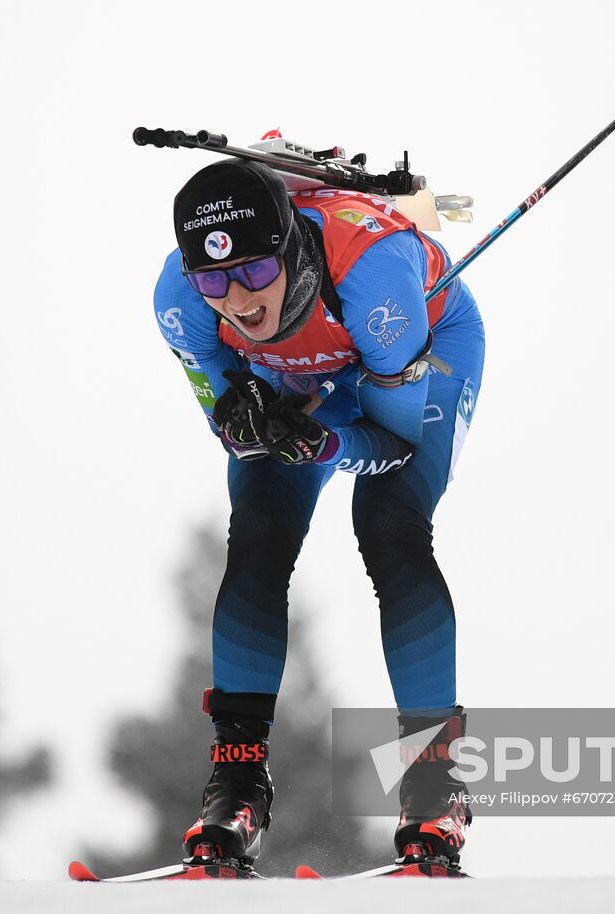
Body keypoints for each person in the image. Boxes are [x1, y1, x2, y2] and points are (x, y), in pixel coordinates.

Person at [152, 158, 485, 867]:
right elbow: (225, 415)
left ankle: (436, 787)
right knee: (259, 534)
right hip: (293, 374)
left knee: (391, 523)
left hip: (412, 358)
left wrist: (327, 443)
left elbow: (393, 446)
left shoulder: (375, 284)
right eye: (214, 278)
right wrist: (239, 423)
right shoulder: (178, 302)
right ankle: (237, 780)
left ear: (291, 252)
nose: (236, 298)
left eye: (253, 273)